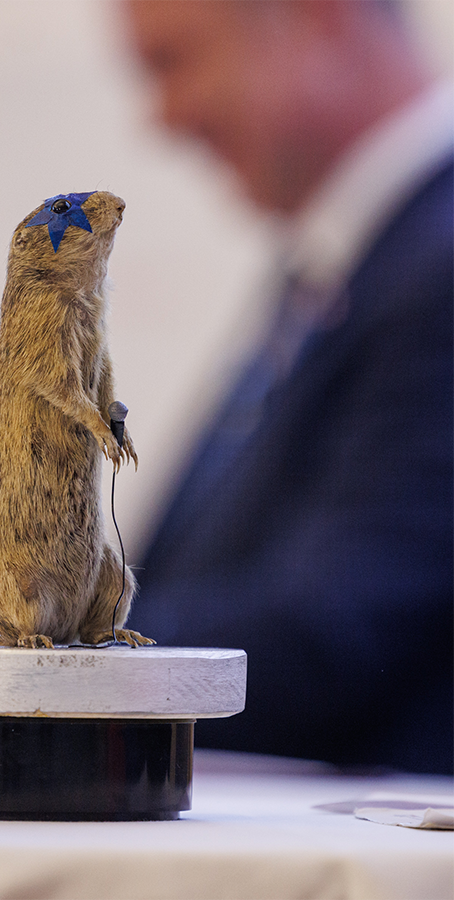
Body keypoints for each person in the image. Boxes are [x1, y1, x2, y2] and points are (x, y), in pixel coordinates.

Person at [124, 0, 454, 773]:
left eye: (172, 62)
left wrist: (16, 659)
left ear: (320, 21)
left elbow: (336, 631)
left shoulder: (438, 263)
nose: (164, 118)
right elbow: (202, 571)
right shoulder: (354, 261)